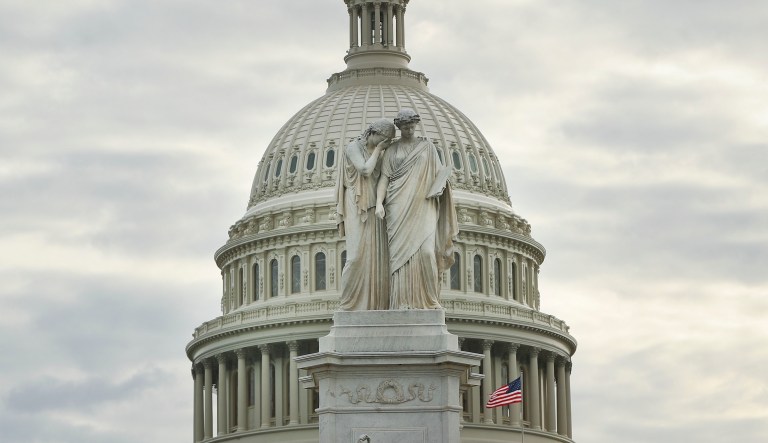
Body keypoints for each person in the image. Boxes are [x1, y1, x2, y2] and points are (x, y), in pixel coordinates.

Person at [375, 109, 458, 309]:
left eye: (412, 126)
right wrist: (379, 203)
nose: (409, 130)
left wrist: (443, 184)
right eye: (405, 127)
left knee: (427, 253)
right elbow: (384, 178)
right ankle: (401, 302)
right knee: (399, 259)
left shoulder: (427, 147)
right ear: (399, 128)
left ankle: (429, 301)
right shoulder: (392, 150)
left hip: (424, 203)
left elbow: (441, 174)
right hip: (397, 205)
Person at [336, 119, 396, 310]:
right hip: (355, 201)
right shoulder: (353, 147)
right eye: (383, 139)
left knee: (375, 257)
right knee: (354, 257)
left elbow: (384, 179)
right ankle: (347, 305)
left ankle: (374, 304)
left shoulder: (384, 153)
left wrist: (380, 203)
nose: (384, 143)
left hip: (374, 206)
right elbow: (365, 170)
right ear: (373, 133)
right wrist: (379, 150)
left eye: (387, 141)